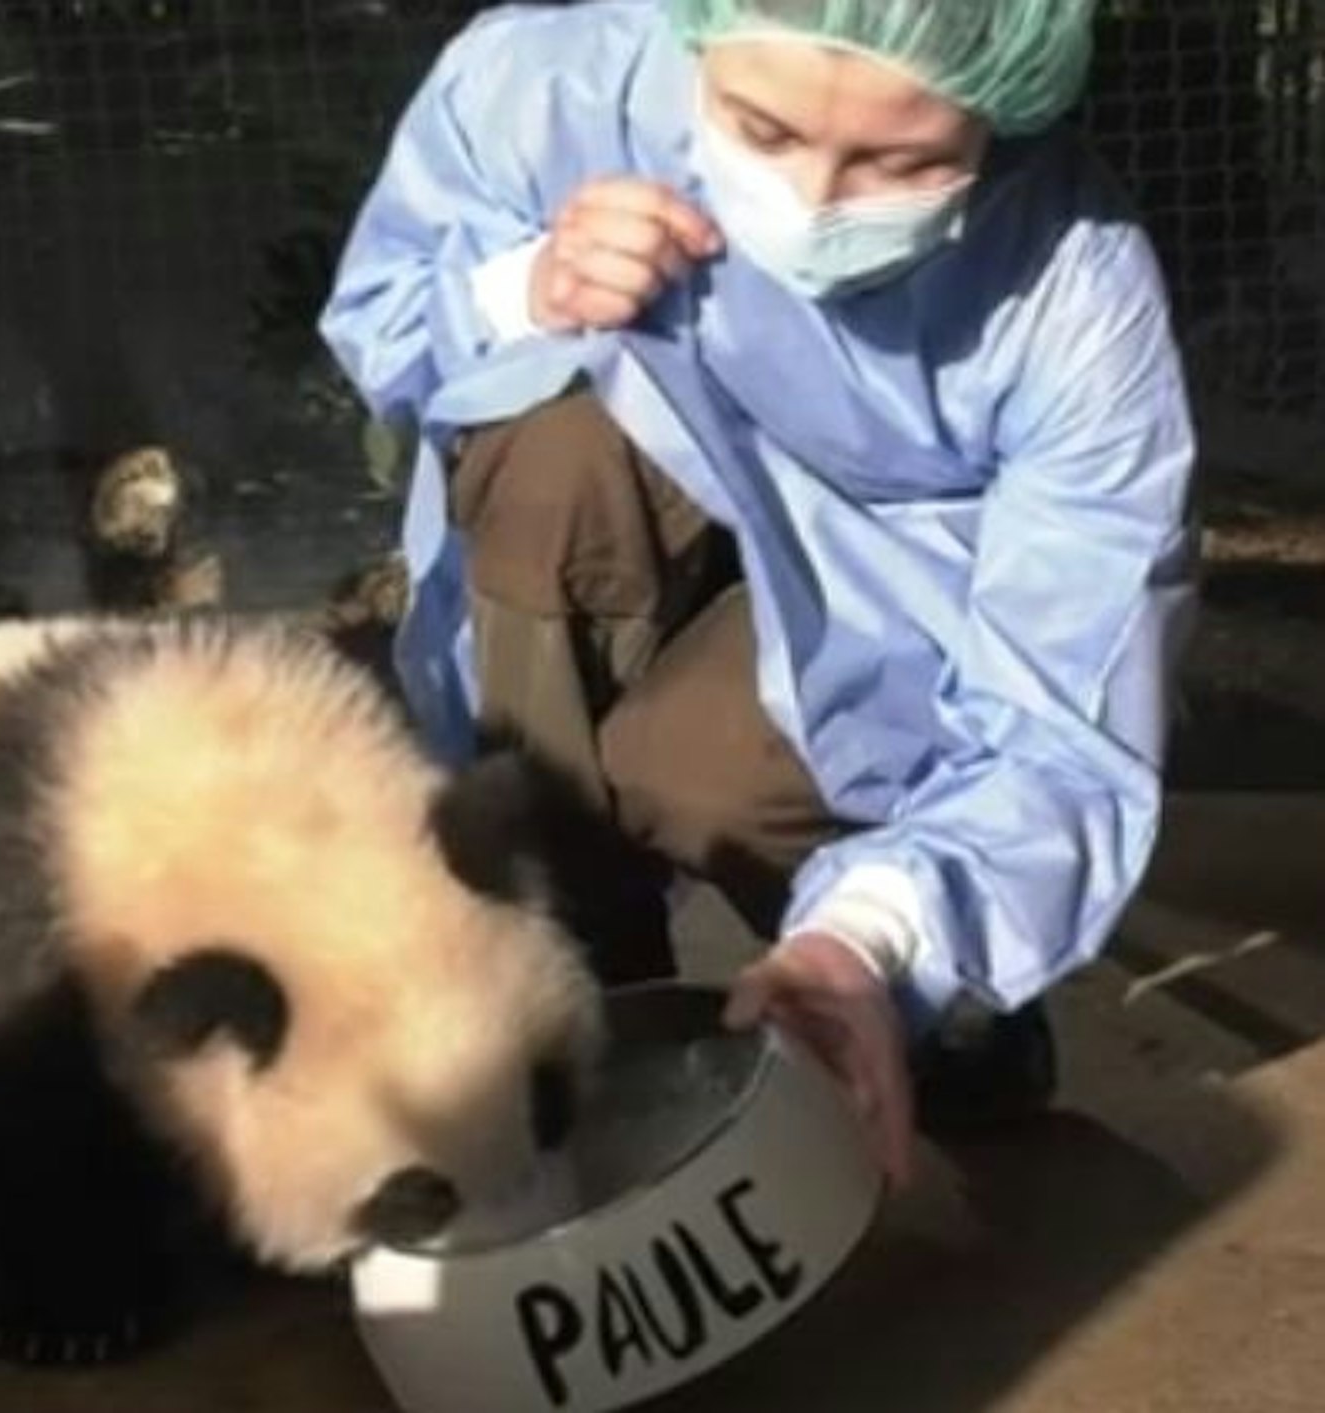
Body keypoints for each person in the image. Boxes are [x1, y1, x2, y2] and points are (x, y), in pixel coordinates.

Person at [318, 0, 1200, 1188]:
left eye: (903, 161)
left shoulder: (1074, 290)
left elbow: (1066, 719)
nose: (816, 200)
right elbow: (380, 324)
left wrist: (876, 937)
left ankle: (916, 986)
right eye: (759, 127)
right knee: (546, 446)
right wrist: (516, 295)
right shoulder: (543, 86)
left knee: (697, 772)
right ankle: (579, 968)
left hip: (873, 650)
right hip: (614, 540)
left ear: (1003, 109)